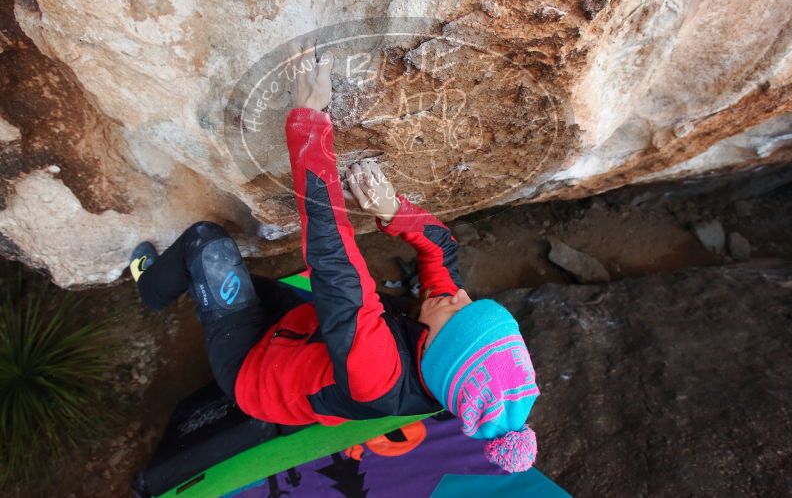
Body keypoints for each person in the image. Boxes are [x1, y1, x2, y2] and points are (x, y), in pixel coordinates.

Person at [129, 41, 540, 473]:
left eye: (458, 312)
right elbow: (442, 251)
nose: (458, 296)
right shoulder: (444, 343)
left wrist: (310, 121)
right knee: (253, 288)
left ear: (437, 353)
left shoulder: (378, 374)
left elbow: (332, 255)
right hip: (302, 336)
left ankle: (150, 289)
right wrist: (394, 212)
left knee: (206, 245)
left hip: (253, 371)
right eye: (471, 303)